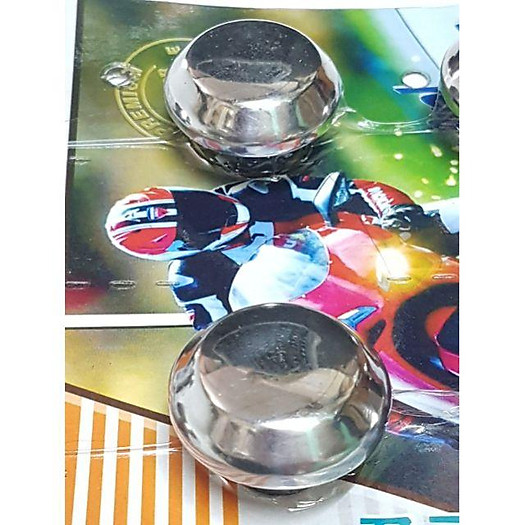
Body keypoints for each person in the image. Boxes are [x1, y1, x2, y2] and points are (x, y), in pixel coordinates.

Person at [106, 172, 458, 329]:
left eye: (193, 203)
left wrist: (397, 212)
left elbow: (352, 187)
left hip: (386, 246)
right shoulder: (192, 283)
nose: (210, 212)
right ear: (181, 250)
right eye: (194, 225)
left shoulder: (254, 192)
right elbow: (223, 337)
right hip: (342, 310)